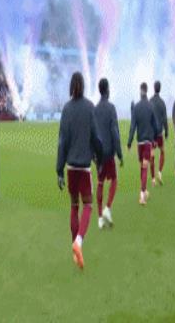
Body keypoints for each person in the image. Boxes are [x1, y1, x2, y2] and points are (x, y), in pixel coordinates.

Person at [56, 72, 102, 270]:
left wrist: (59, 170)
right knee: (88, 205)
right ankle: (79, 242)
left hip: (70, 168)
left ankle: (75, 249)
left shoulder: (66, 109)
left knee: (74, 206)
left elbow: (62, 141)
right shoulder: (90, 107)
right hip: (84, 167)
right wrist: (99, 158)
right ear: (83, 86)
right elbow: (96, 137)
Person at [94, 78, 123, 229]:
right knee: (114, 180)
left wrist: (93, 154)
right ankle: (107, 208)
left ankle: (100, 218)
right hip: (108, 153)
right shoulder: (111, 108)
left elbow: (91, 133)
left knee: (100, 183)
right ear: (107, 90)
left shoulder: (94, 109)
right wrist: (120, 153)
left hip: (98, 153)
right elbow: (114, 132)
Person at [127, 83, 159, 205]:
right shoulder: (151, 106)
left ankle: (144, 191)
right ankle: (142, 195)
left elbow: (132, 126)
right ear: (147, 90)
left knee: (142, 166)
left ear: (140, 91)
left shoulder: (136, 107)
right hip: (147, 141)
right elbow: (156, 125)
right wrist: (155, 138)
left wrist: (129, 142)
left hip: (140, 142)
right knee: (144, 167)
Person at [150, 80, 168, 185]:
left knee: (152, 155)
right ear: (160, 89)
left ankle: (153, 179)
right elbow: (165, 118)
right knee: (162, 152)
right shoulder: (162, 102)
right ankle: (159, 172)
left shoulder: (150, 101)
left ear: (154, 88)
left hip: (152, 133)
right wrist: (167, 131)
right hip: (159, 133)